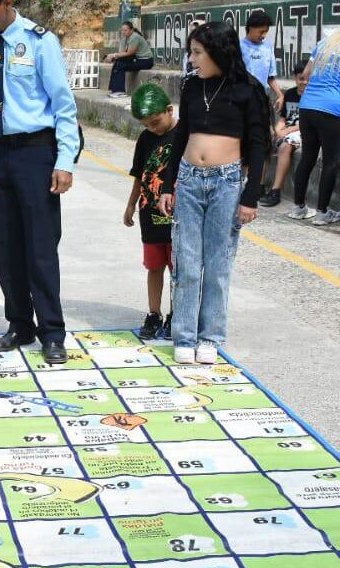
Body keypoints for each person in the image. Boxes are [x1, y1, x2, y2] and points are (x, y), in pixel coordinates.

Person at [0, 0, 80, 365]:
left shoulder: (39, 41)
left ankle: (52, 331)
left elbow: (63, 104)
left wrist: (64, 160)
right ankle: (19, 324)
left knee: (41, 247)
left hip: (35, 153)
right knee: (6, 246)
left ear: (6, 3)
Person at [156, 21, 270, 365]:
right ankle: (185, 335)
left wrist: (251, 197)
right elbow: (181, 137)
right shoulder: (191, 87)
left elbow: (259, 145)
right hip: (190, 180)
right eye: (191, 53)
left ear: (218, 52)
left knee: (218, 264)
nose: (191, 60)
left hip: (226, 182)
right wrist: (167, 183)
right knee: (186, 262)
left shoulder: (249, 90)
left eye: (197, 53)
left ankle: (209, 336)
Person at [286, 7, 340, 225]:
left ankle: (299, 207)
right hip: (331, 108)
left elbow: (306, 75)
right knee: (330, 161)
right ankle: (322, 212)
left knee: (308, 157)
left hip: (307, 106)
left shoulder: (324, 43)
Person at [124, 84, 178, 340]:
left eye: (156, 122)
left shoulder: (183, 136)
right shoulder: (145, 139)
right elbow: (139, 175)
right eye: (146, 125)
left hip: (177, 217)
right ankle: (154, 313)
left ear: (170, 110)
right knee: (154, 267)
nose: (152, 129)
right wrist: (130, 205)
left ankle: (176, 314)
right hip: (149, 216)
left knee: (178, 269)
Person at [258, 60, 307, 208]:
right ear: (295, 77)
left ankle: (276, 190)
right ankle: (258, 185)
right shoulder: (290, 94)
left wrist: (286, 131)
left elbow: (307, 124)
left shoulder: (313, 97)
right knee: (263, 140)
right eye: (301, 78)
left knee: (285, 147)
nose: (304, 82)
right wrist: (278, 130)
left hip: (301, 132)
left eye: (308, 79)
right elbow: (283, 119)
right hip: (288, 130)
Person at [240, 10, 285, 113]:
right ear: (251, 28)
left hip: (262, 99)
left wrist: (280, 95)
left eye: (266, 32)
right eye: (261, 32)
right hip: (243, 101)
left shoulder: (268, 47)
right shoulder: (239, 47)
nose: (264, 35)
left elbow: (270, 77)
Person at [105, 21, 154, 98]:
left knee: (121, 65)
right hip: (136, 59)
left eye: (125, 30)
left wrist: (114, 55)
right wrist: (113, 57)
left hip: (145, 61)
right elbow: (122, 53)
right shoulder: (124, 39)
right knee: (118, 62)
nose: (123, 32)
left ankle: (120, 92)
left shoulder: (135, 37)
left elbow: (130, 53)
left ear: (131, 30)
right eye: (122, 30)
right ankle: (114, 90)